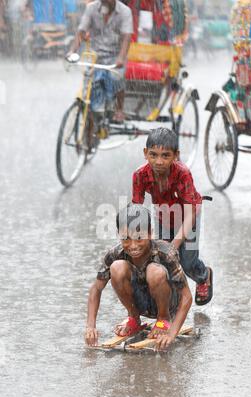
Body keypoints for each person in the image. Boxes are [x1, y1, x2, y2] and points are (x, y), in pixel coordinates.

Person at [85, 204, 193, 351]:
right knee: (116, 267)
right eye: (126, 239)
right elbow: (96, 288)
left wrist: (171, 334)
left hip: (167, 305)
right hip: (140, 302)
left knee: (154, 271)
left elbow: (186, 297)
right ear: (119, 234)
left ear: (150, 233)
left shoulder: (166, 252)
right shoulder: (115, 253)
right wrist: (90, 327)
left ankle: (162, 320)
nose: (133, 245)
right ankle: (133, 319)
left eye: (139, 238)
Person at [132, 128, 213, 306]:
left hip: (188, 216)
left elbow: (191, 213)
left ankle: (203, 275)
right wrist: (138, 238)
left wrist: (174, 245)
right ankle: (169, 303)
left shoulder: (182, 174)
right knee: (161, 259)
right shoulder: (139, 175)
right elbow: (137, 210)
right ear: (145, 153)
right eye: (153, 155)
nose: (159, 161)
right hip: (163, 216)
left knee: (186, 260)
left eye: (165, 155)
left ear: (176, 155)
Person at [69, 0, 133, 123]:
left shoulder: (125, 12)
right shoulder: (91, 8)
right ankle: (90, 120)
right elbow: (81, 32)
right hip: (95, 55)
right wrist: (72, 51)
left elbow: (126, 38)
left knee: (117, 77)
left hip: (115, 56)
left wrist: (121, 57)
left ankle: (119, 109)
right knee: (89, 85)